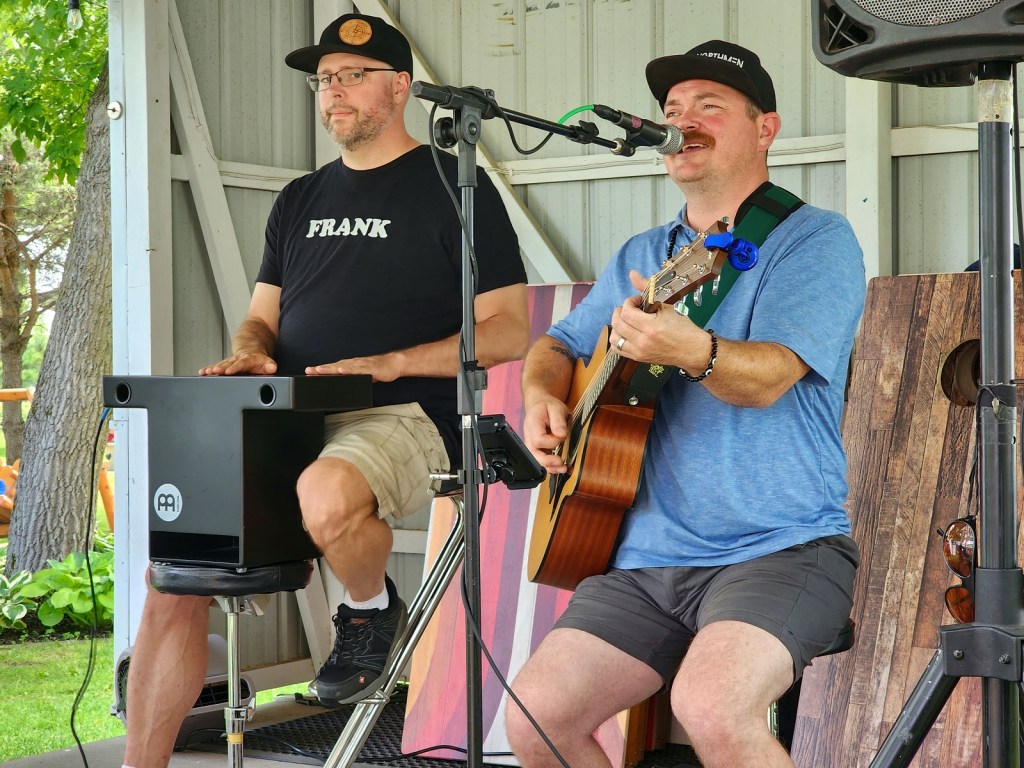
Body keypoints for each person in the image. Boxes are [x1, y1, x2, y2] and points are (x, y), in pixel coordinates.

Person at [121, 13, 529, 768]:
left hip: (402, 411)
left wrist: (395, 361)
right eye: (325, 79)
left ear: (400, 87)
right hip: (286, 413)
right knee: (175, 575)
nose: (332, 91)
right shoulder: (298, 198)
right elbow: (260, 319)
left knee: (327, 493)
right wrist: (250, 353)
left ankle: (368, 612)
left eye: (352, 76)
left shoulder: (455, 188)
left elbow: (507, 330)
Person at [506, 40, 865, 768]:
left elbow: (769, 377)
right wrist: (542, 395)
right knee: (537, 719)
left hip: (780, 548)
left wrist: (692, 349)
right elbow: (558, 344)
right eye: (672, 110)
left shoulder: (814, 239)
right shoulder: (647, 251)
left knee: (710, 706)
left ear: (766, 128)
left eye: (710, 105)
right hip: (645, 556)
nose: (682, 121)